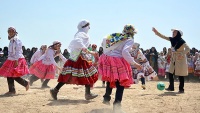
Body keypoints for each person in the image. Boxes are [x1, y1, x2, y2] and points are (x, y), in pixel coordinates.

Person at [50, 20, 98, 101]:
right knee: (79, 74)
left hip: (78, 55)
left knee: (85, 74)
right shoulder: (81, 34)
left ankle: (88, 93)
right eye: (88, 26)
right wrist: (88, 51)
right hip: (78, 56)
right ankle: (55, 90)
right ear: (85, 26)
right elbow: (76, 41)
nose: (89, 28)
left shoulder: (81, 33)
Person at [98, 24, 142, 112]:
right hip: (117, 60)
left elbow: (103, 43)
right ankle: (117, 106)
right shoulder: (129, 39)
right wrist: (134, 63)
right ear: (132, 32)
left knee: (111, 79)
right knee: (120, 84)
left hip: (107, 58)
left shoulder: (118, 36)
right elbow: (125, 52)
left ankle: (106, 97)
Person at [152, 27, 190, 93]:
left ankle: (181, 89)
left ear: (178, 34)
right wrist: (156, 32)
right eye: (173, 32)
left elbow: (188, 48)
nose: (173, 33)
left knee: (181, 74)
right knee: (170, 73)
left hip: (180, 59)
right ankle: (171, 87)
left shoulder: (182, 41)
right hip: (173, 58)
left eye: (174, 32)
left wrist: (181, 54)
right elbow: (163, 37)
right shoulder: (172, 39)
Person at [0, 27, 30, 95]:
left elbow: (18, 51)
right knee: (9, 74)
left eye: (12, 31)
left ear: (15, 32)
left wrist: (16, 60)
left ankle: (25, 83)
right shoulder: (11, 40)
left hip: (17, 59)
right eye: (9, 32)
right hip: (11, 59)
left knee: (13, 75)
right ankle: (12, 90)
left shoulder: (17, 40)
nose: (10, 33)